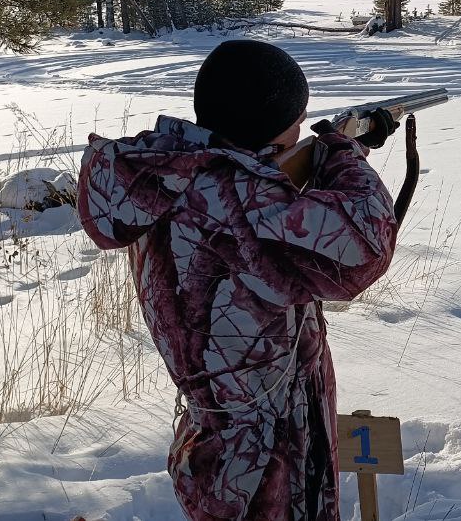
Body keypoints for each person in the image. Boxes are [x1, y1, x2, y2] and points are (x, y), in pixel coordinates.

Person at [76, 39, 403, 521]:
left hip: (223, 435)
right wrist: (344, 153)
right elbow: (365, 245)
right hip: (263, 457)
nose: (300, 130)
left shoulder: (169, 178)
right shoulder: (242, 203)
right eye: (297, 120)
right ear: (269, 130)